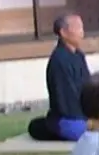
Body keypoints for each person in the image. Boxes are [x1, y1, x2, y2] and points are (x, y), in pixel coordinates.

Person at [28, 13, 90, 142]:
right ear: (63, 32)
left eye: (82, 27)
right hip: (70, 118)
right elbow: (66, 99)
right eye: (78, 27)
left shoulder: (79, 55)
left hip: (84, 116)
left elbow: (88, 85)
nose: (82, 32)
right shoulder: (59, 59)